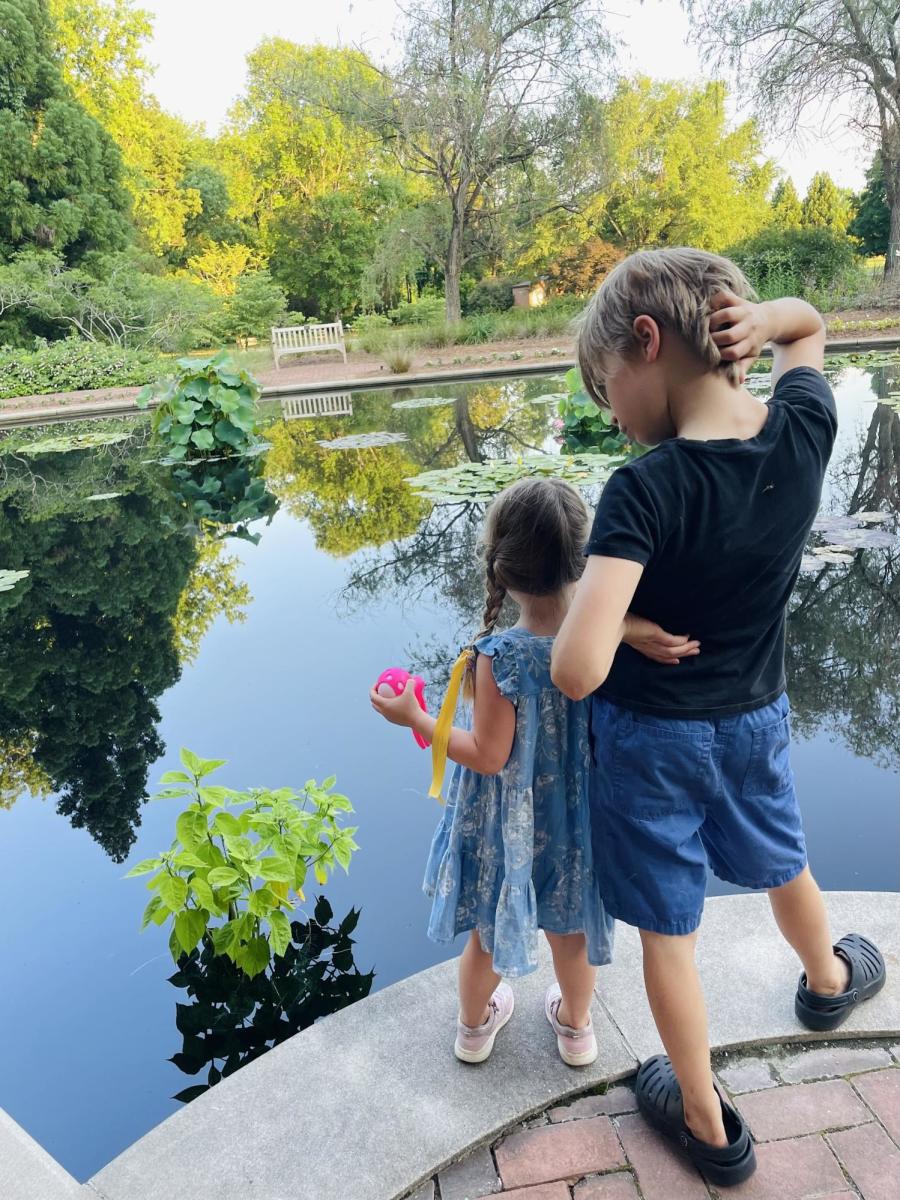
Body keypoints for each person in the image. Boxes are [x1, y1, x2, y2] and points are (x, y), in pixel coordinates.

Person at [551, 247, 886, 1188]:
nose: (613, 417)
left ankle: (707, 1125)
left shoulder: (644, 490)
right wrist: (771, 315)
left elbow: (576, 669)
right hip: (753, 718)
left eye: (608, 386)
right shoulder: (803, 434)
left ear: (647, 342)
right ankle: (829, 982)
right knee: (784, 854)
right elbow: (812, 326)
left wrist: (621, 621)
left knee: (670, 932)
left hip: (652, 740)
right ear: (734, 331)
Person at [371, 477, 696, 1066]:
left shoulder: (499, 657)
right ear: (586, 560)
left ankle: (473, 1029)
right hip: (577, 823)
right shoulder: (602, 641)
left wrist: (416, 717)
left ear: (502, 566)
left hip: (508, 829)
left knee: (487, 935)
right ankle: (575, 1029)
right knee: (571, 933)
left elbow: (489, 755)